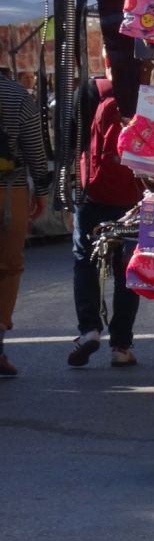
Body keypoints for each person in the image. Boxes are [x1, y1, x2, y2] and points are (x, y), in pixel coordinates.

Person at [68, 68, 144, 368]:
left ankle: (89, 329)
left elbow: (73, 139)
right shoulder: (141, 91)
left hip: (93, 191)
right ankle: (121, 346)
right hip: (132, 194)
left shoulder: (88, 89)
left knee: (84, 260)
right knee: (127, 268)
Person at [0, 66, 48, 377]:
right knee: (7, 267)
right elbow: (35, 149)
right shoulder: (17, 95)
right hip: (9, 190)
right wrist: (41, 190)